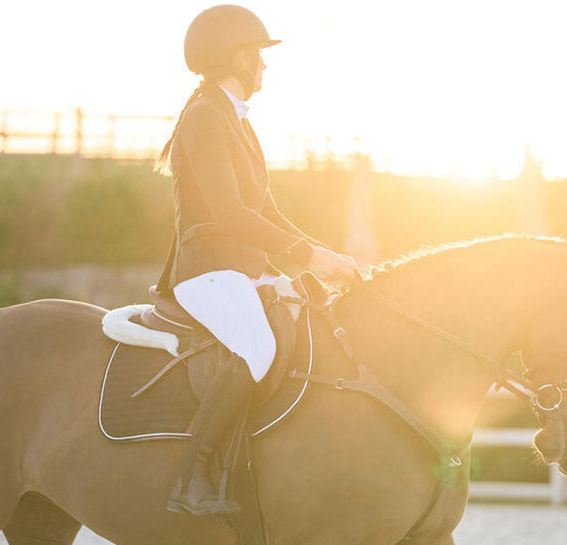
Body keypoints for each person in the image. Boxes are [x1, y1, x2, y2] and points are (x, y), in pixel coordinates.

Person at [153, 4, 360, 517]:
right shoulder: (203, 117)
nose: (265, 67)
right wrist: (308, 254)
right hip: (206, 270)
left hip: (242, 269)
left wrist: (321, 259)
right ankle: (193, 475)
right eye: (258, 57)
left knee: (310, 323)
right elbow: (228, 212)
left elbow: (267, 212)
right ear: (235, 59)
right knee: (258, 346)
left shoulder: (238, 123)